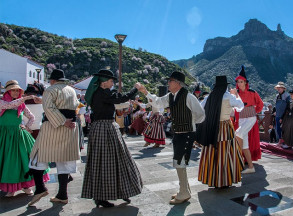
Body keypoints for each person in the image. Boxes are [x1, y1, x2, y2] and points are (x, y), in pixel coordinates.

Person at [138, 71, 205, 205]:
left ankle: (184, 192)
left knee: (179, 162)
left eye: (170, 81)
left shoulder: (189, 97)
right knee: (179, 162)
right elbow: (157, 102)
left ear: (178, 83)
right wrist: (145, 92)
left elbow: (201, 115)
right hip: (179, 132)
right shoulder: (171, 96)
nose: (168, 83)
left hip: (186, 133)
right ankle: (184, 190)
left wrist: (189, 123)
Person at [81, 69, 143, 208]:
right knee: (106, 162)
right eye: (110, 81)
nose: (112, 83)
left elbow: (118, 98)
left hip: (107, 127)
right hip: (104, 128)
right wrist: (135, 89)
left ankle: (120, 190)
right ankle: (101, 196)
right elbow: (120, 99)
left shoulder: (104, 93)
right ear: (103, 83)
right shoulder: (101, 94)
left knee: (115, 160)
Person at [27, 69, 80, 206]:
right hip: (70, 128)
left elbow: (50, 108)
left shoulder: (50, 90)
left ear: (52, 80)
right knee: (64, 162)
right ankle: (62, 194)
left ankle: (40, 188)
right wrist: (67, 121)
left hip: (53, 127)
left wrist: (62, 121)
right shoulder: (71, 90)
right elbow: (69, 107)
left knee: (37, 156)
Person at [0, 80, 48, 197]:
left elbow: (31, 117)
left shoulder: (21, 104)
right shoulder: (2, 102)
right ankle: (11, 188)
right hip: (4, 135)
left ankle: (26, 186)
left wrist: (25, 126)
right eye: (13, 90)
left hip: (18, 135)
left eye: (18, 90)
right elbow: (9, 105)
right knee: (7, 161)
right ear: (8, 91)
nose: (16, 92)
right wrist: (24, 99)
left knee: (24, 160)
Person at [197, 76, 245, 188]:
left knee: (212, 150)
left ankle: (212, 178)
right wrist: (236, 94)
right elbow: (240, 107)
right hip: (225, 127)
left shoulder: (209, 97)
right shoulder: (229, 96)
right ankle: (224, 178)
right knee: (226, 151)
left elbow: (200, 108)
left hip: (211, 127)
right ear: (225, 86)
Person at [233, 66, 263, 173]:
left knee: (237, 134)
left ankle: (236, 162)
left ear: (245, 82)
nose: (239, 83)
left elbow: (260, 104)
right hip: (241, 119)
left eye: (241, 81)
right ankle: (251, 167)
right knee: (244, 144)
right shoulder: (236, 93)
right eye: (238, 82)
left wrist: (255, 111)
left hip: (250, 117)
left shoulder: (252, 92)